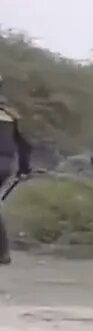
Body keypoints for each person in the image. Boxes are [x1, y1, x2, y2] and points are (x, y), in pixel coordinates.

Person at [0, 73, 34, 266]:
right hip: (6, 164)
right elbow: (25, 144)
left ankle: (3, 252)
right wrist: (24, 168)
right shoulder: (9, 114)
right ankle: (3, 253)